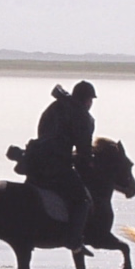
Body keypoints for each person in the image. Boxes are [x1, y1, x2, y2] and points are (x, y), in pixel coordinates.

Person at [25, 80, 98, 252]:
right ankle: (74, 240)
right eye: (90, 100)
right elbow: (83, 151)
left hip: (34, 161)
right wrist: (88, 163)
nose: (90, 104)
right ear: (87, 100)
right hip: (56, 166)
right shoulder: (81, 116)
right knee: (82, 199)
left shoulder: (55, 107)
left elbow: (42, 131)